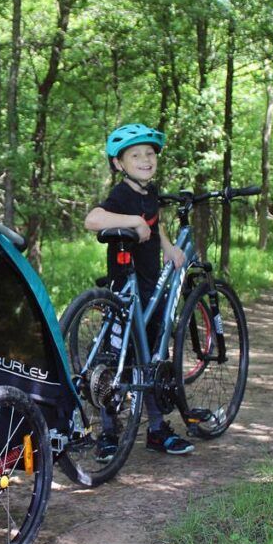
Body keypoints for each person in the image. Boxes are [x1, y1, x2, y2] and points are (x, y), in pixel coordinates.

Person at [83, 123, 194, 458]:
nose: (145, 159)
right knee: (115, 359)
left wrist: (169, 246)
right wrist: (131, 222)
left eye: (149, 154)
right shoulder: (122, 194)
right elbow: (92, 219)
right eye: (135, 155)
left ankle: (158, 429)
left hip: (147, 283)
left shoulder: (150, 192)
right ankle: (108, 432)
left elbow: (152, 222)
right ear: (119, 163)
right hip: (124, 286)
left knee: (151, 358)